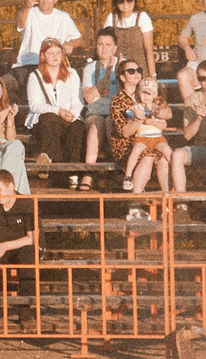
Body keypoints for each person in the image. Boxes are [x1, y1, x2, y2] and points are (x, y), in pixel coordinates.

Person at [111, 62, 177, 217]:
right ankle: (135, 205)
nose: (136, 73)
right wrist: (139, 119)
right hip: (129, 145)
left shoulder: (152, 95)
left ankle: (167, 205)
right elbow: (125, 132)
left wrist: (155, 112)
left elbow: (168, 113)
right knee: (147, 158)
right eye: (131, 71)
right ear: (122, 77)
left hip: (153, 139)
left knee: (163, 160)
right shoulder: (118, 101)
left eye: (139, 70)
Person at [23, 40, 87, 170]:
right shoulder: (35, 76)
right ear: (42, 56)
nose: (55, 56)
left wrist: (72, 114)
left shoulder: (72, 74)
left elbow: (77, 100)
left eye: (58, 52)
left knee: (77, 126)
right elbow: (35, 105)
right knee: (51, 120)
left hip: (68, 117)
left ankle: (72, 171)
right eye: (50, 53)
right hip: (43, 120)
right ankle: (54, 167)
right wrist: (57, 111)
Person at [0, 168, 37, 285]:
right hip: (0, 248)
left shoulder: (27, 204)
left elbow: (32, 238)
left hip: (22, 248)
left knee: (29, 253)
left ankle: (26, 301)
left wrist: (4, 246)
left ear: (11, 186)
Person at [81, 28, 125, 165]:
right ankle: (89, 172)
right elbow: (89, 98)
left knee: (110, 122)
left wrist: (118, 73)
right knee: (96, 124)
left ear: (115, 47)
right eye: (100, 44)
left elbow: (129, 93)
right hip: (96, 111)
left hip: (118, 111)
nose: (104, 48)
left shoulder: (124, 64)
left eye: (108, 45)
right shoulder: (90, 68)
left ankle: (119, 168)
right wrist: (106, 76)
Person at [14, 0, 81, 69]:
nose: (45, 0)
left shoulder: (63, 17)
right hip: (29, 64)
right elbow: (20, 24)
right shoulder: (29, 13)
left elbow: (79, 39)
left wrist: (71, 44)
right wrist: (27, 6)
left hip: (54, 66)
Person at [104, 0, 156, 78]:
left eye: (129, 0)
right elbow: (106, 46)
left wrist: (153, 76)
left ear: (134, 1)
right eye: (121, 0)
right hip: (117, 71)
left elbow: (149, 50)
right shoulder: (111, 18)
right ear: (116, 3)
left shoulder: (142, 17)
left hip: (139, 70)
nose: (125, 3)